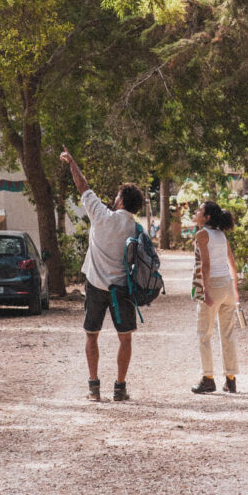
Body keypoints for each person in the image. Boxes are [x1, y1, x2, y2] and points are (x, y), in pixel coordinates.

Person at [60, 147, 144, 403]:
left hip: (96, 285)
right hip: (122, 289)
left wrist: (72, 161)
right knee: (125, 338)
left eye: (117, 196)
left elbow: (82, 185)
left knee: (91, 334)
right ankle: (120, 388)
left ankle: (94, 388)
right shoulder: (135, 227)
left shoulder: (100, 215)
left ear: (121, 200)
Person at [191, 201, 240, 394]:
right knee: (227, 334)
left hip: (213, 285)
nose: (196, 212)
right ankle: (231, 379)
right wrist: (235, 288)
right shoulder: (221, 235)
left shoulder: (202, 234)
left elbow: (206, 265)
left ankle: (208, 378)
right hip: (227, 286)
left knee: (204, 334)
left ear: (207, 217)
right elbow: (231, 261)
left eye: (200, 210)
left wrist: (206, 291)